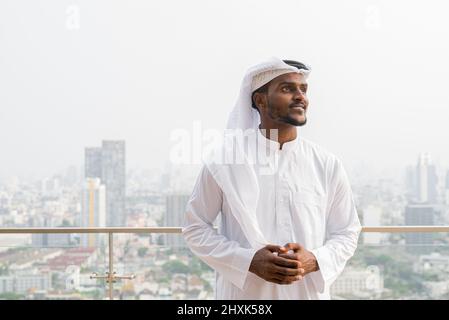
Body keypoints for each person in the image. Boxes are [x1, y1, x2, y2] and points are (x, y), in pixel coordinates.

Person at [182, 57, 361, 299]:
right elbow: (195, 227)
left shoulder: (327, 164)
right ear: (260, 100)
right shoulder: (224, 161)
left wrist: (315, 260)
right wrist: (248, 261)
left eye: (303, 89)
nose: (300, 96)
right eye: (287, 89)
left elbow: (348, 232)